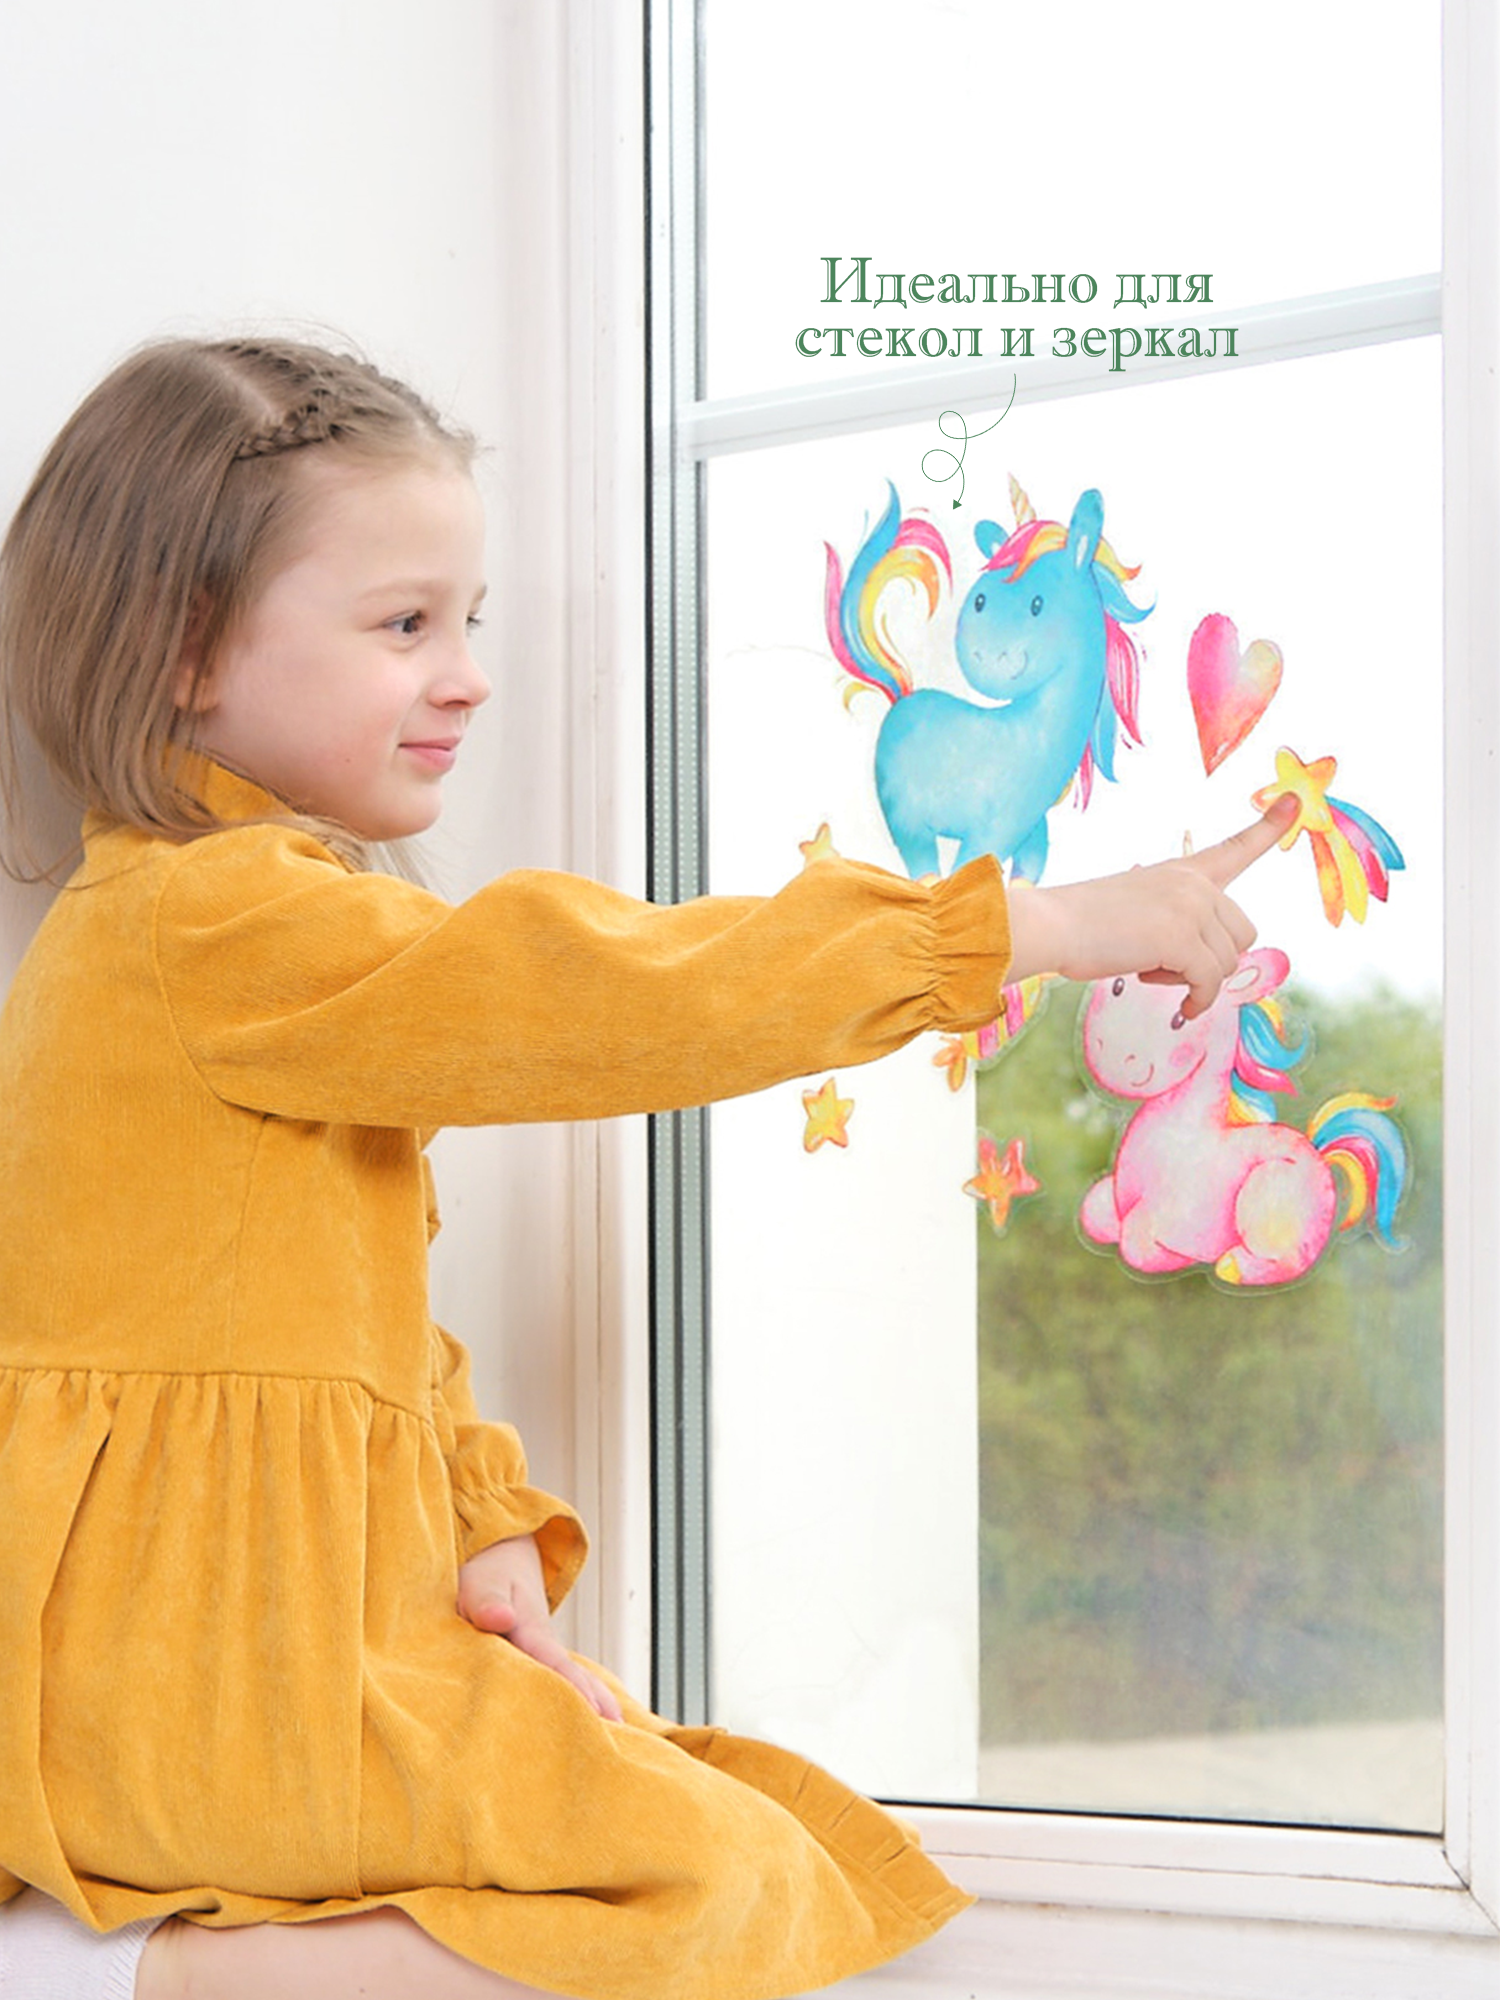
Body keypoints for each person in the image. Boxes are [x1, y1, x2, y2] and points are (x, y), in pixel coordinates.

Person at [0, 335, 1294, 2000]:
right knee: (719, 1879)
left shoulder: (226, 929)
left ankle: (106, 1953)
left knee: (731, 1833)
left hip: (208, 1640)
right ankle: (104, 1973)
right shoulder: (216, 922)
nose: (467, 676)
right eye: (405, 625)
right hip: (186, 1666)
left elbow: (347, 1320)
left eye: (470, 621)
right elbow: (613, 994)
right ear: (184, 648)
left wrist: (478, 1526)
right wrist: (1021, 926)